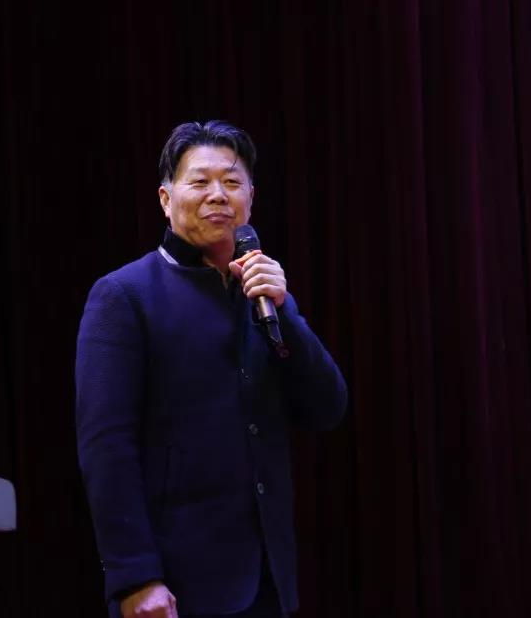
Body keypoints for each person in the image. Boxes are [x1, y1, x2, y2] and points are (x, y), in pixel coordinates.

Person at [75, 120, 347, 618]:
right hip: (176, 582)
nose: (218, 194)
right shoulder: (124, 296)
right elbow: (106, 448)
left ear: (250, 198)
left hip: (267, 576)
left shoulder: (264, 295)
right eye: (200, 181)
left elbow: (327, 408)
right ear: (166, 198)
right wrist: (135, 577)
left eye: (232, 181)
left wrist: (284, 312)